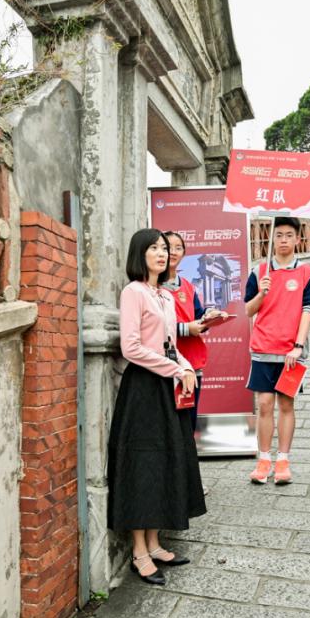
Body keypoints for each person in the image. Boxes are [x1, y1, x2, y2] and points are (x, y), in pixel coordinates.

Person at [107, 229, 206, 585]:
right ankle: (138, 551)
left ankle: (155, 542)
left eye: (164, 248)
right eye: (154, 248)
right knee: (143, 464)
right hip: (144, 389)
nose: (161, 253)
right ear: (140, 253)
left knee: (165, 461)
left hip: (168, 387)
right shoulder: (133, 292)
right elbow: (131, 348)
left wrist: (186, 366)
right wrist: (175, 368)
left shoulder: (164, 295)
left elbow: (169, 343)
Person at [244, 216, 310, 485]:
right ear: (271, 238)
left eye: (289, 235)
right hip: (263, 348)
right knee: (264, 405)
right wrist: (261, 294)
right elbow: (247, 310)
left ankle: (283, 461)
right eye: (279, 235)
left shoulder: (307, 272)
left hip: (291, 352)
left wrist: (298, 346)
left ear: (298, 239)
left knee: (286, 405)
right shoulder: (258, 271)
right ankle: (264, 459)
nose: (284, 240)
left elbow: (308, 309)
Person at [163, 231, 225, 431]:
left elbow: (197, 315)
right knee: (168, 425)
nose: (173, 252)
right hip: (165, 365)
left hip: (192, 362)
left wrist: (209, 316)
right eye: (167, 247)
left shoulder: (188, 287)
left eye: (178, 248)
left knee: (188, 421)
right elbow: (153, 327)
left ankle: (186, 462)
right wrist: (185, 329)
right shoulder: (150, 286)